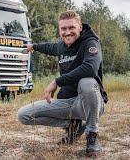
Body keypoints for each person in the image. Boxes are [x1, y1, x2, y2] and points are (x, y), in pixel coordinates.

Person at [17, 10, 108, 157]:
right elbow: (50, 47)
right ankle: (74, 126)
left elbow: (90, 68)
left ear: (80, 27)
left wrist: (57, 81)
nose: (67, 32)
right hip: (68, 103)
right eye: (63, 29)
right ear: (60, 30)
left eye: (71, 28)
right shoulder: (62, 46)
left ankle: (92, 134)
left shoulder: (91, 42)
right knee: (24, 115)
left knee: (87, 82)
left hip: (89, 102)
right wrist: (33, 46)